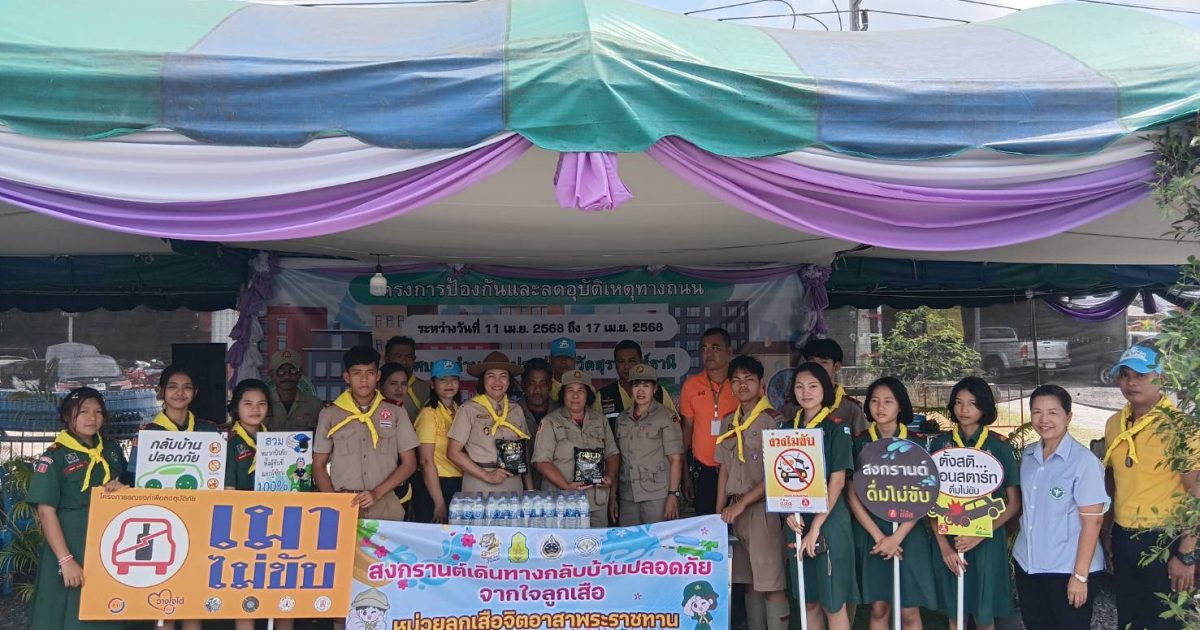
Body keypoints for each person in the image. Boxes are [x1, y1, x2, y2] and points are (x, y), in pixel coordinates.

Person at [1102, 344, 1197, 630]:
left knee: (1167, 622)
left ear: (1162, 379)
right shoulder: (1114, 423)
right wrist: (1108, 531)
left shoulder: (1180, 427)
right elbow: (1113, 480)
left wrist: (1186, 553)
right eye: (1125, 375)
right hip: (1123, 536)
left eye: (1141, 375)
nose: (1131, 382)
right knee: (1129, 619)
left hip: (1165, 540)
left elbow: (1196, 494)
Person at [845, 377, 940, 630]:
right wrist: (880, 537)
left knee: (909, 611)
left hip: (909, 532)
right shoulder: (859, 442)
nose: (880, 407)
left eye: (888, 401)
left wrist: (897, 537)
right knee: (879, 608)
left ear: (900, 406)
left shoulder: (917, 443)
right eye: (875, 401)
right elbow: (851, 494)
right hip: (872, 532)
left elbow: (926, 493)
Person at [28, 388, 127, 630]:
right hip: (69, 544)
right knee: (64, 612)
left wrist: (120, 489)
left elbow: (129, 493)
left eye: (98, 412)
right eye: (83, 412)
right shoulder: (55, 456)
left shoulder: (112, 451)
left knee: (105, 609)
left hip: (107, 544)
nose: (92, 418)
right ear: (67, 416)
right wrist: (66, 560)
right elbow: (46, 512)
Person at [1013, 385, 1107, 630]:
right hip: (1028, 564)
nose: (1044, 420)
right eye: (1037, 412)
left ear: (1069, 416)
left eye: (1053, 412)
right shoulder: (1028, 456)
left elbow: (1093, 521)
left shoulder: (1084, 462)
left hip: (1067, 568)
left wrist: (1080, 576)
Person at [931, 376, 1021, 630]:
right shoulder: (940, 445)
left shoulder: (999, 447)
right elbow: (929, 502)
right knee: (955, 614)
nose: (964, 409)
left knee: (984, 615)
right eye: (958, 402)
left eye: (972, 403)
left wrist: (980, 535)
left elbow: (1014, 503)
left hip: (986, 541)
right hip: (950, 538)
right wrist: (944, 547)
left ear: (984, 406)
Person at [714, 355, 789, 630]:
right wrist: (717, 513)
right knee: (749, 583)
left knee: (771, 584)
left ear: (761, 384)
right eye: (736, 380)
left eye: (748, 379)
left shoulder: (773, 421)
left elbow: (777, 474)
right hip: (735, 512)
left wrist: (742, 504)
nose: (742, 385)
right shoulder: (728, 422)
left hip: (763, 511)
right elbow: (723, 469)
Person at [784, 362, 857, 630]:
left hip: (828, 520)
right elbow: (777, 478)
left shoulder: (836, 428)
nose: (806, 392)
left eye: (813, 386)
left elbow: (837, 481)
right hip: (796, 520)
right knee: (809, 601)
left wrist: (816, 526)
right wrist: (786, 511)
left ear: (824, 389)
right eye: (800, 386)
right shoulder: (785, 429)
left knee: (832, 602)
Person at [313, 346, 419, 521]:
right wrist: (333, 501)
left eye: (370, 373)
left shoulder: (395, 412)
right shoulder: (330, 414)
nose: (364, 380)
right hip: (343, 506)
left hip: (385, 504)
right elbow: (318, 465)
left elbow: (409, 463)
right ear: (347, 377)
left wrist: (377, 493)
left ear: (378, 376)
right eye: (357, 373)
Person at [223, 379, 297, 630]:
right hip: (243, 528)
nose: (255, 409)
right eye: (247, 404)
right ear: (236, 407)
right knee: (247, 592)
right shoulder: (230, 442)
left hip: (278, 525)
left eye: (261, 403)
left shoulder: (279, 442)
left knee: (282, 588)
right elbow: (228, 492)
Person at [532, 370, 620, 527]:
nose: (575, 395)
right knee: (563, 541)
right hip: (562, 501)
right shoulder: (551, 422)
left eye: (581, 390)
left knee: (596, 541)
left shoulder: (600, 420)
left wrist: (610, 476)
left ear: (588, 395)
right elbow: (541, 461)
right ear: (563, 395)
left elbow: (612, 453)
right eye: (570, 390)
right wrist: (566, 485)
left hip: (596, 501)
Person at [447, 351, 534, 495]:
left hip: (513, 483)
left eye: (503, 376)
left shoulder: (516, 409)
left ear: (509, 381)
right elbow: (453, 452)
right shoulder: (469, 409)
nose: (497, 382)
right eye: (491, 376)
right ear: (483, 381)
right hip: (479, 484)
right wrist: (486, 475)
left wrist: (530, 490)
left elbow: (524, 451)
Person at [614, 363, 684, 526]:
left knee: (659, 539)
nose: (640, 391)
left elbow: (676, 459)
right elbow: (618, 459)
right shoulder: (622, 419)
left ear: (654, 388)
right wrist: (613, 496)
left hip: (657, 495)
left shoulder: (666, 417)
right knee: (630, 540)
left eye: (646, 386)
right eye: (636, 386)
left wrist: (673, 494)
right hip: (628, 494)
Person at [125, 365, 220, 484]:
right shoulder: (146, 434)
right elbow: (133, 479)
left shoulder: (209, 431)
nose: (180, 392)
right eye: (172, 387)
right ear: (161, 391)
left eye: (187, 387)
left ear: (195, 392)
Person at [679, 327, 739, 516]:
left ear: (729, 352)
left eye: (715, 348)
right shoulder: (691, 386)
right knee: (707, 526)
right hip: (704, 470)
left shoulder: (741, 384)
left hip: (737, 469)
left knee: (737, 525)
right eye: (704, 349)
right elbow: (687, 430)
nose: (709, 353)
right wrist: (685, 476)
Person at [413, 360, 465, 524]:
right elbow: (425, 460)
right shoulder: (429, 414)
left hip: (459, 482)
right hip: (435, 485)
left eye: (453, 379)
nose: (449, 384)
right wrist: (439, 502)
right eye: (443, 379)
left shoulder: (460, 411)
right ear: (432, 384)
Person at [600, 340, 680, 434]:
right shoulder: (603, 395)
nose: (627, 366)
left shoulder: (659, 392)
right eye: (621, 361)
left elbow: (675, 424)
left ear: (641, 362)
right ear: (615, 364)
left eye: (632, 361)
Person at [800, 338, 868, 434]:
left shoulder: (852, 409)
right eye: (811, 361)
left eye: (824, 362)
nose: (816, 367)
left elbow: (863, 442)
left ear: (836, 366)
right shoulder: (794, 407)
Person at [379, 362, 417, 516]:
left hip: (399, 485)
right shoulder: (372, 412)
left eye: (403, 384)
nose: (399, 389)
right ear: (380, 385)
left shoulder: (401, 411)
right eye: (393, 383)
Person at [268, 348, 322, 432]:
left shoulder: (315, 405)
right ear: (272, 375)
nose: (287, 376)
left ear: (300, 373)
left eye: (292, 371)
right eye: (280, 371)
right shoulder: (264, 405)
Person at [384, 335, 430, 421]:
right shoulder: (376, 386)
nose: (404, 361)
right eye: (398, 356)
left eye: (408, 357)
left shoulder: (423, 388)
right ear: (387, 359)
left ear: (414, 359)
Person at [519, 358, 557, 434]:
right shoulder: (511, 412)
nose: (537, 389)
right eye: (532, 383)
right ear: (523, 385)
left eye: (543, 383)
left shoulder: (561, 412)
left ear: (550, 386)